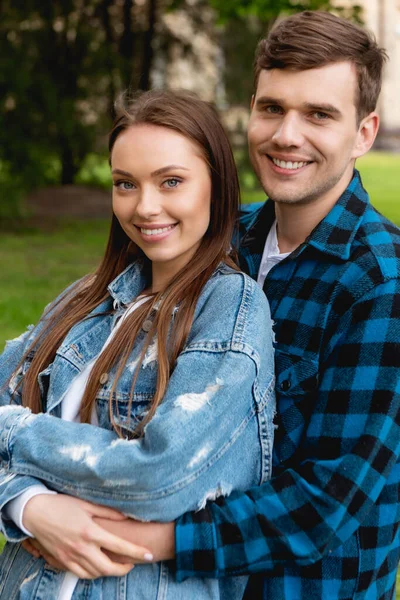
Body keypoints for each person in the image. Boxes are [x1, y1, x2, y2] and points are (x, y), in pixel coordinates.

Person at [25, 10, 398, 600]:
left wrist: (125, 536)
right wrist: (30, 505)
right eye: (272, 108)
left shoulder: (381, 282)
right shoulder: (216, 240)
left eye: (319, 114)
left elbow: (331, 501)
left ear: (364, 132)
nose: (287, 135)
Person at [0, 89, 276, 599]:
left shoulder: (231, 310)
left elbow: (158, 477)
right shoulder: (84, 299)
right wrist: (27, 506)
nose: (145, 206)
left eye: (171, 181)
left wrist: (14, 433)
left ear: (216, 185)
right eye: (125, 184)